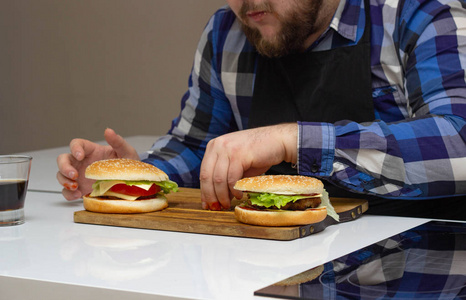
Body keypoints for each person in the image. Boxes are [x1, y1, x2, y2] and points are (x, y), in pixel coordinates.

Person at [57, 0, 466, 220]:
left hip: (415, 259)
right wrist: (139, 177)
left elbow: (459, 139)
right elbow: (196, 144)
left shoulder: (422, 13)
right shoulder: (225, 32)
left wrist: (291, 140)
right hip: (265, 264)